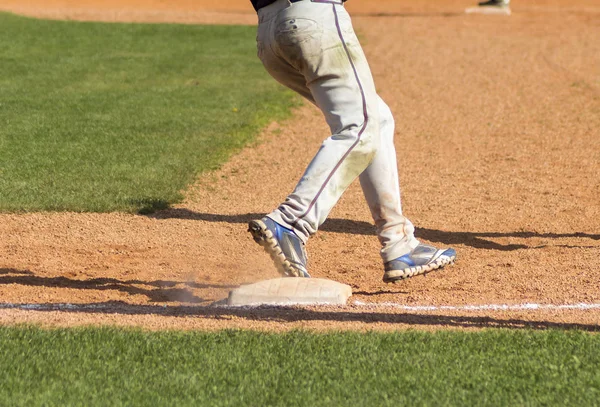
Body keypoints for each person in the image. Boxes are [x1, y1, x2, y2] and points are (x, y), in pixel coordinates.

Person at [247, 0, 456, 284]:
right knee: (360, 125)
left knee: (376, 119)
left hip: (269, 34)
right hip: (314, 20)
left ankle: (399, 243)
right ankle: (291, 222)